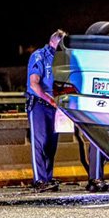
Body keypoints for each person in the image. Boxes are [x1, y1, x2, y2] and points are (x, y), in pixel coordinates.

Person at [26, 29, 67, 192]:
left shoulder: (62, 58)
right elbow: (34, 83)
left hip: (56, 105)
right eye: (61, 43)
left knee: (51, 144)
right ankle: (39, 179)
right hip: (39, 105)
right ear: (53, 42)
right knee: (40, 142)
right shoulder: (39, 56)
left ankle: (48, 178)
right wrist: (50, 100)